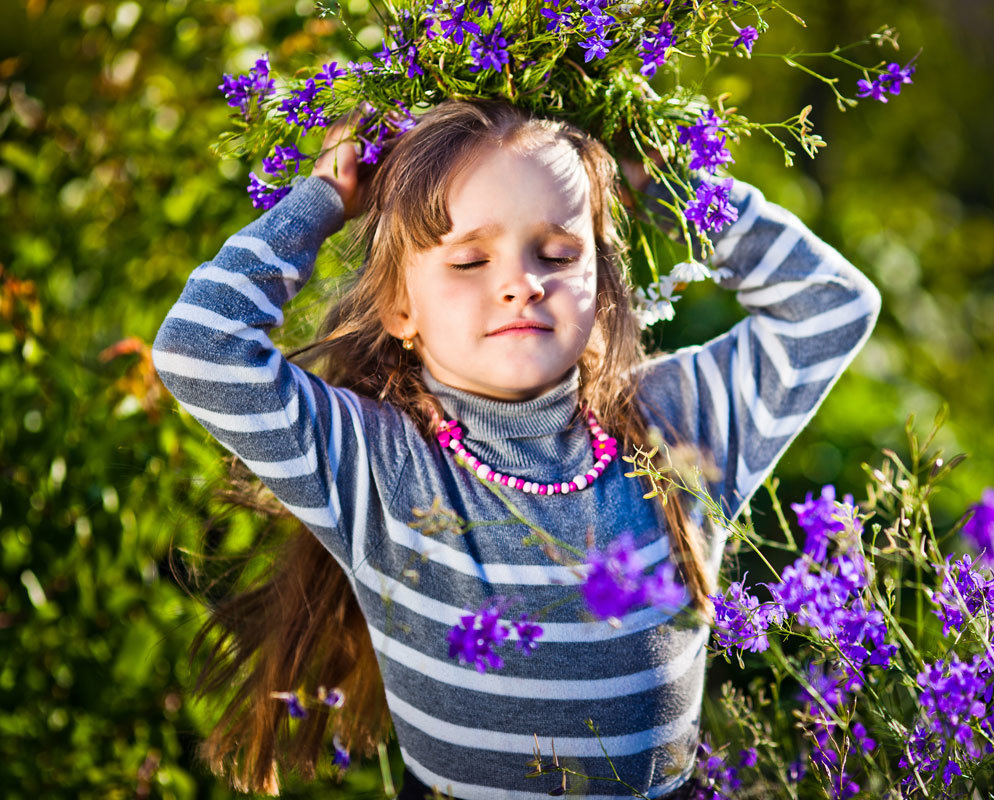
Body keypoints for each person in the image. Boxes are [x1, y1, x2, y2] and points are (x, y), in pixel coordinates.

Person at [151, 98, 882, 798]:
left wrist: (670, 183)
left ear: (600, 285)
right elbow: (197, 349)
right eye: (470, 262)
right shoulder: (376, 463)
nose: (521, 285)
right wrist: (323, 198)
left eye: (559, 253)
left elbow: (833, 304)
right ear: (400, 307)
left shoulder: (676, 428)